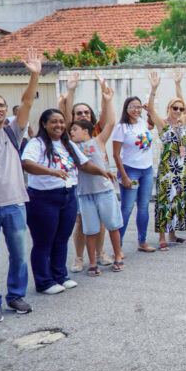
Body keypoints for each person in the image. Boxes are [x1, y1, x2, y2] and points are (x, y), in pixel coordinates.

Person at [22, 109, 116, 295]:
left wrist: (103, 171)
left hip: (68, 195)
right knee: (43, 241)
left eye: (61, 122)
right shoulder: (37, 143)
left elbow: (84, 164)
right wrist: (51, 172)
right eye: (53, 122)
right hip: (43, 198)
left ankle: (60, 275)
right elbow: (27, 163)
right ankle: (44, 282)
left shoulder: (67, 144)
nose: (59, 125)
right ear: (44, 124)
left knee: (61, 239)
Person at [0, 47, 40, 323]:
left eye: (2, 105)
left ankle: (15, 296)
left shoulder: (13, 130)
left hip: (15, 204)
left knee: (19, 255)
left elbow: (26, 103)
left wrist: (35, 76)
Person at [69, 77, 125, 275]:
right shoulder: (71, 146)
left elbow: (110, 122)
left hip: (104, 191)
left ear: (86, 130)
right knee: (89, 229)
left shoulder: (98, 140)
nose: (72, 132)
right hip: (84, 193)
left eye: (75, 130)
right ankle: (91, 262)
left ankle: (117, 256)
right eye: (71, 129)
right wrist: (70, 92)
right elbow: (68, 117)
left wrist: (108, 99)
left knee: (112, 225)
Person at [59, 72, 114, 272]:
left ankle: (100, 253)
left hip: (100, 182)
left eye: (86, 113)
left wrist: (105, 94)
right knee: (81, 220)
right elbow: (65, 118)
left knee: (100, 220)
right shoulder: (71, 136)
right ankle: (79, 257)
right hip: (80, 183)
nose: (83, 116)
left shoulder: (96, 133)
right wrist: (71, 90)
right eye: (79, 113)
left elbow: (108, 118)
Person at [145, 71, 186, 250]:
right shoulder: (162, 123)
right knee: (165, 200)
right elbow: (151, 109)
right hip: (168, 169)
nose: (178, 111)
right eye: (174, 108)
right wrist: (154, 89)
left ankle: (173, 233)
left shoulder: (183, 122)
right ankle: (162, 236)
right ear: (169, 109)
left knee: (179, 199)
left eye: (180, 108)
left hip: (183, 168)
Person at [112, 95, 155, 252]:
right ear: (126, 109)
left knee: (143, 207)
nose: (136, 110)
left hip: (147, 170)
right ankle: (119, 246)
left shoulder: (143, 123)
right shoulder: (121, 127)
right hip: (130, 170)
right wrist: (124, 176)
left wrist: (149, 111)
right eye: (132, 107)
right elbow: (116, 154)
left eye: (138, 107)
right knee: (127, 208)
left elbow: (152, 124)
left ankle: (142, 242)